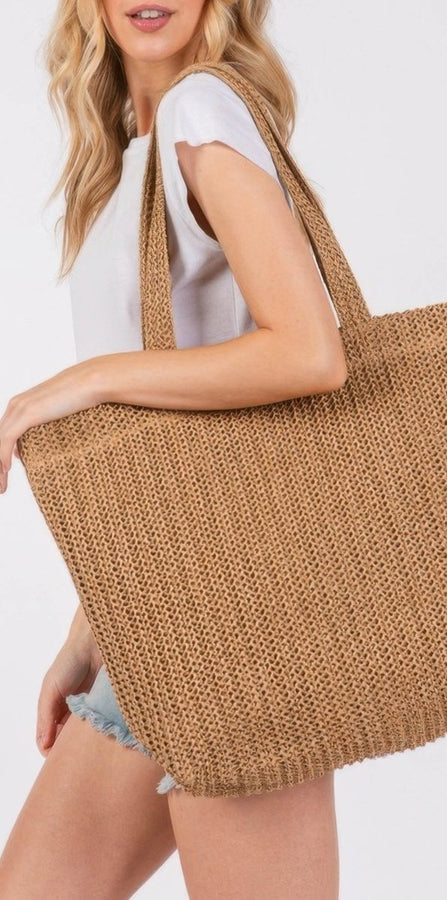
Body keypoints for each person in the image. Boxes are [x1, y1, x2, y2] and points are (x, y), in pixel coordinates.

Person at [0, 2, 345, 897]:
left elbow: (310, 352)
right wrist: (90, 632)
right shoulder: (133, 151)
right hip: (158, 615)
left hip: (241, 622)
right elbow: (158, 453)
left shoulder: (202, 108)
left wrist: (83, 382)